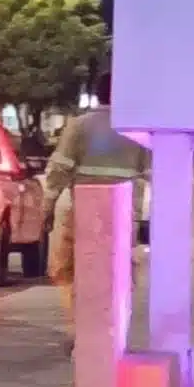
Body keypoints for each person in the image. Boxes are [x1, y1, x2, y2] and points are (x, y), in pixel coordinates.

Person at [42, 100, 145, 287]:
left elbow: (59, 169)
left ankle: (78, 309)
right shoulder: (137, 130)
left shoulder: (79, 125)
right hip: (122, 213)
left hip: (83, 210)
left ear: (97, 96)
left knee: (66, 267)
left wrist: (48, 206)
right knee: (120, 270)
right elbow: (152, 173)